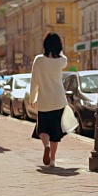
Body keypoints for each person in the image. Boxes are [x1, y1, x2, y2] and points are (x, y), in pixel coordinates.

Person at [29, 33, 68, 167]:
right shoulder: (61, 61)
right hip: (59, 100)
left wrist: (32, 97)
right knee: (55, 131)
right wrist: (58, 51)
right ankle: (52, 160)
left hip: (44, 101)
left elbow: (34, 81)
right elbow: (64, 58)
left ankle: (46, 146)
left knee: (43, 128)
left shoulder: (38, 60)